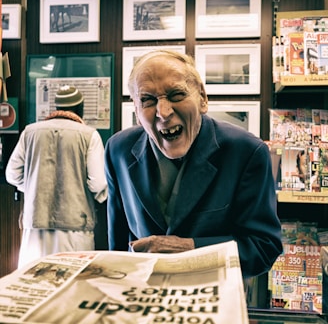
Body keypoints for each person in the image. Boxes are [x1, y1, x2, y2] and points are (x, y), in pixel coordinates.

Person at [104, 50, 282, 278]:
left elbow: (263, 247)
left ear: (202, 98)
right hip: (141, 301)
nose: (164, 112)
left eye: (176, 94)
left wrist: (188, 248)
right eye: (147, 100)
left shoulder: (246, 151)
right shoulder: (117, 150)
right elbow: (117, 245)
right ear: (137, 112)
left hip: (215, 301)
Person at [6, 85, 108, 268]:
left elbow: (12, 174)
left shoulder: (30, 132)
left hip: (35, 224)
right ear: (80, 107)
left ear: (57, 107)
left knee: (34, 283)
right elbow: (98, 183)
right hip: (76, 225)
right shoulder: (89, 135)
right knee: (72, 283)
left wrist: (32, 187)